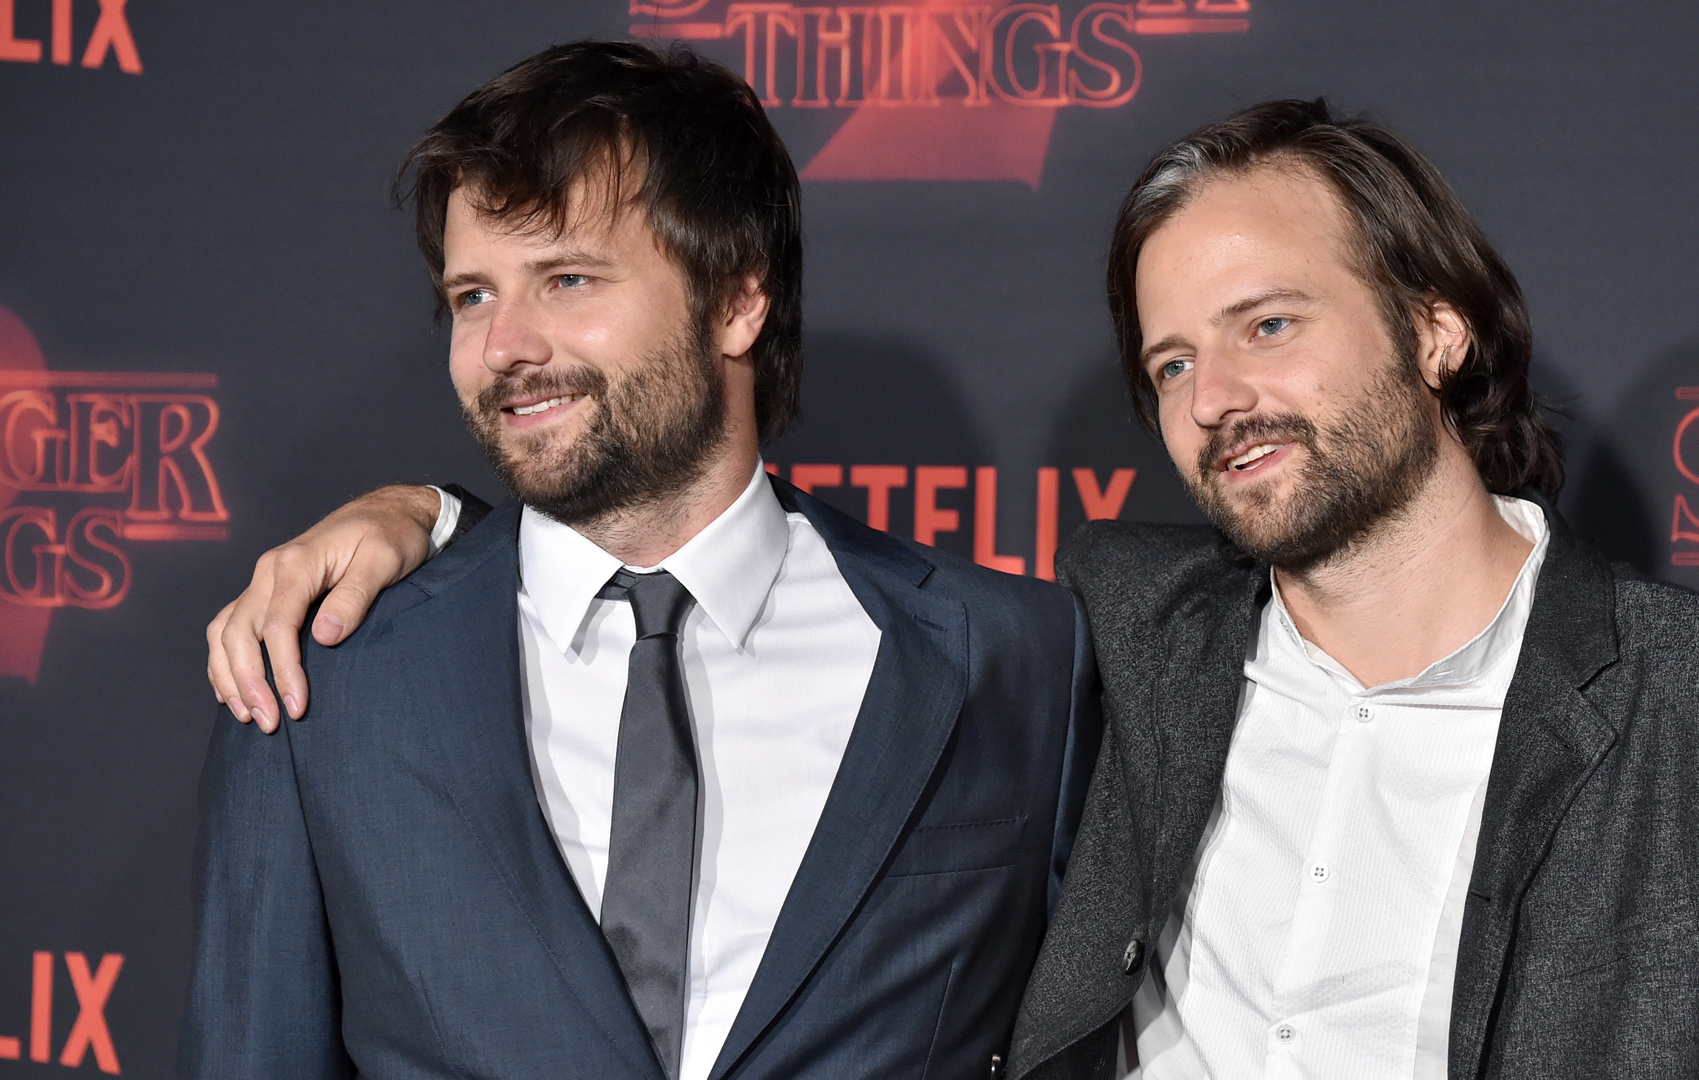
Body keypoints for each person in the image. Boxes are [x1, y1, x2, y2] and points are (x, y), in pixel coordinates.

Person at [207, 100, 1699, 1079]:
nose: (1218, 397)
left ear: (1435, 325)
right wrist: (431, 519)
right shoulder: (1119, 640)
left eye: (1268, 324)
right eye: (1171, 362)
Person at [182, 41, 1097, 1080]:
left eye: (566, 279)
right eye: (472, 296)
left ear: (737, 300)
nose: (504, 346)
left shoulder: (1017, 660)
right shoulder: (317, 682)